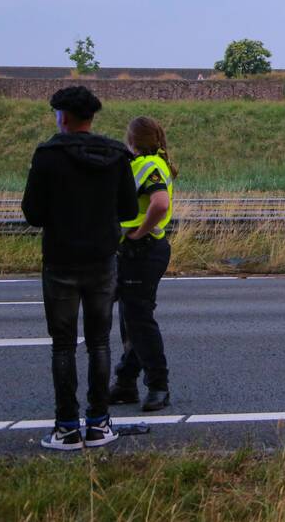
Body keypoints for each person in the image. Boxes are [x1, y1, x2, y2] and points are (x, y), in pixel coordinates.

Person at [21, 86, 138, 450]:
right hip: (102, 259)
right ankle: (99, 423)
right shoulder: (117, 155)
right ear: (91, 116)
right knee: (99, 342)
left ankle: (66, 428)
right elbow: (129, 210)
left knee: (63, 346)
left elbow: (32, 213)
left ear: (64, 117)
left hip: (60, 260)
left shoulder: (48, 155)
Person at [109, 117, 176, 411]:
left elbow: (159, 204)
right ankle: (126, 382)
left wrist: (138, 233)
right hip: (139, 251)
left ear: (132, 140)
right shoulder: (149, 163)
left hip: (143, 249)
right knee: (131, 319)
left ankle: (158, 385)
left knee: (138, 320)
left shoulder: (148, 166)